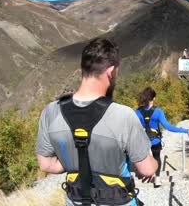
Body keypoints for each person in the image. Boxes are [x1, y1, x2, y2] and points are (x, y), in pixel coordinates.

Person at [36, 38, 157, 206]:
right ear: (111, 71)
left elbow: (46, 164)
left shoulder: (50, 112)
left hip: (74, 200)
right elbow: (147, 169)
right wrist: (154, 162)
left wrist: (77, 164)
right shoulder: (124, 115)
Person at [135, 87, 189, 188]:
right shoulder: (158, 111)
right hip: (155, 140)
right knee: (156, 158)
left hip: (142, 140)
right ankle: (157, 179)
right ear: (154, 98)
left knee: (144, 157)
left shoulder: (137, 111)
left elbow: (132, 126)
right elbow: (168, 126)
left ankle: (143, 173)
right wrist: (184, 130)